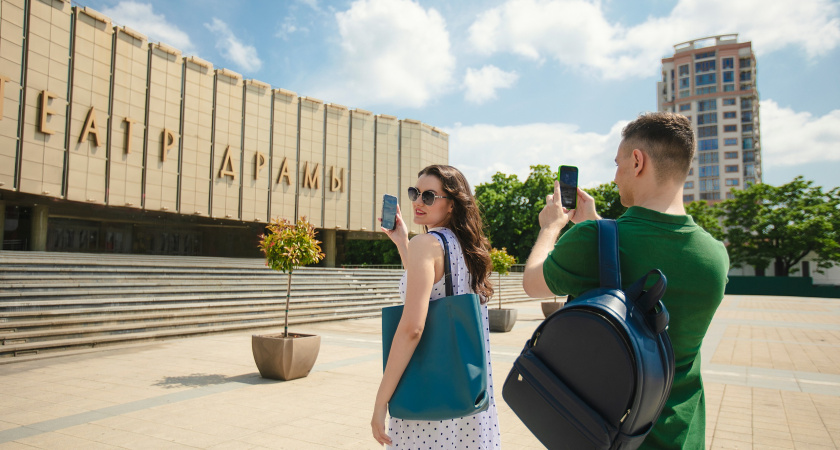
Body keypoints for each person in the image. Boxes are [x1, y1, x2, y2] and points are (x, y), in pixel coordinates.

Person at [522, 112, 729, 449]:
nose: (615, 177)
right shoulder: (715, 255)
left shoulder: (591, 238)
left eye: (618, 164)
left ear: (637, 161)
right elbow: (653, 250)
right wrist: (598, 226)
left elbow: (533, 283)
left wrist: (550, 228)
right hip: (683, 435)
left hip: (603, 433)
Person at [371, 164, 501, 449]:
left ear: (452, 205)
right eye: (415, 193)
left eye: (429, 196)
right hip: (468, 397)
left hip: (428, 406)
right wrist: (402, 242)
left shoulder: (426, 244)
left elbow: (412, 329)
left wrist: (381, 402)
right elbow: (435, 290)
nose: (418, 201)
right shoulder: (467, 248)